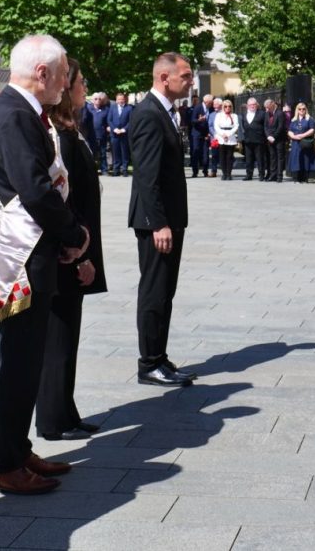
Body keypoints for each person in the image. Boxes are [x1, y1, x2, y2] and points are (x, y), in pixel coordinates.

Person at [0, 34, 89, 496]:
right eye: (61, 76)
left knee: (25, 359)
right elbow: (35, 190)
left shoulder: (14, 112)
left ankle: (15, 448)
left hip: (30, 251)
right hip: (20, 256)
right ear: (42, 73)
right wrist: (74, 235)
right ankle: (2, 462)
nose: (64, 85)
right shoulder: (14, 115)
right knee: (18, 362)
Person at [36, 58, 106, 441]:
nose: (82, 88)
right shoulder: (59, 135)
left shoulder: (72, 129)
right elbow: (63, 196)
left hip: (79, 244)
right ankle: (51, 418)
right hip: (67, 250)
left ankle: (66, 410)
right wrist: (78, 250)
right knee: (58, 337)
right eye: (78, 82)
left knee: (68, 334)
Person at [129, 52, 197, 388]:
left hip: (169, 218)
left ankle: (159, 356)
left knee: (165, 291)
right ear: (164, 78)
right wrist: (158, 223)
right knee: (154, 291)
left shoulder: (167, 112)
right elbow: (146, 174)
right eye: (185, 76)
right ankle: (148, 363)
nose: (190, 81)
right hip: (155, 221)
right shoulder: (148, 114)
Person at [288, 102, 315, 183]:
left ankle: (305, 178)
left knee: (305, 159)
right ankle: (296, 178)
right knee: (296, 159)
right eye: (300, 109)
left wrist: (303, 135)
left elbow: (312, 130)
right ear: (297, 110)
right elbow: (290, 130)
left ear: (306, 110)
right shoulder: (294, 120)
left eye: (303, 109)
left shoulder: (309, 119)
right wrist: (293, 136)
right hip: (295, 143)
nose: (302, 110)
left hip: (305, 142)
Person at [213, 99, 240, 181]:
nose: (227, 108)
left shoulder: (234, 116)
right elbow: (216, 126)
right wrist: (222, 134)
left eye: (229, 106)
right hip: (221, 137)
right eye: (225, 106)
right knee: (222, 157)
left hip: (230, 137)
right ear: (223, 107)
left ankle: (229, 174)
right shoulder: (219, 115)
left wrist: (228, 134)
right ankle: (224, 173)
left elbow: (236, 126)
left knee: (229, 157)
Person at [242, 97, 267, 181]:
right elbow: (243, 125)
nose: (252, 106)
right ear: (247, 105)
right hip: (248, 140)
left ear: (256, 105)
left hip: (259, 140)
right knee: (249, 159)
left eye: (254, 104)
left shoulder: (262, 114)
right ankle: (249, 175)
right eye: (250, 104)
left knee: (260, 158)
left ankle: (261, 175)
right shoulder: (244, 114)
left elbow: (265, 126)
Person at [189, 93, 214, 177]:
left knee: (205, 153)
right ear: (206, 101)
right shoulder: (198, 107)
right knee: (195, 152)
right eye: (210, 102)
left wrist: (209, 133)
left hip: (206, 134)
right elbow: (192, 120)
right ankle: (195, 172)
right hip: (196, 134)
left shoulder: (211, 109)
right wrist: (199, 120)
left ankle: (205, 171)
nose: (211, 104)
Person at [107, 92, 132, 176]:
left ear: (124, 99)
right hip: (114, 134)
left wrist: (124, 129)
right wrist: (114, 129)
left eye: (122, 99)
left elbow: (131, 121)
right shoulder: (112, 108)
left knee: (125, 152)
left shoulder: (129, 108)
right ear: (116, 100)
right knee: (115, 152)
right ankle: (116, 169)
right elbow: (109, 120)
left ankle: (124, 169)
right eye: (119, 99)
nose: (120, 101)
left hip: (124, 134)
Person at [264, 98, 289, 182]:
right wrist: (268, 136)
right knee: (272, 157)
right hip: (270, 139)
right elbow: (265, 126)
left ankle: (279, 176)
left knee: (280, 157)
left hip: (279, 139)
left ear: (272, 104)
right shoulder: (267, 113)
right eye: (266, 108)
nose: (267, 109)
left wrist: (274, 136)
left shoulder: (280, 113)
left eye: (268, 107)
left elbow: (280, 127)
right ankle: (272, 175)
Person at [90, 92, 110, 174]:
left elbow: (108, 121)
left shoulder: (106, 110)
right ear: (92, 100)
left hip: (102, 135)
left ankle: (104, 169)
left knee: (103, 153)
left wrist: (109, 127)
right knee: (92, 154)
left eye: (99, 99)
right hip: (92, 135)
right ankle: (92, 170)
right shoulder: (88, 109)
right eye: (96, 99)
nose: (98, 100)